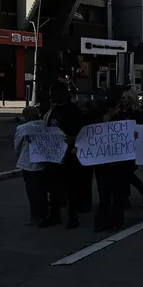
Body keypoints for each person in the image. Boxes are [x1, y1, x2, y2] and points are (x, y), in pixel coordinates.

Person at [41, 81, 87, 229]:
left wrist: (74, 139)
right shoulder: (52, 109)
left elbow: (83, 130)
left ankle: (73, 216)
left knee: (71, 187)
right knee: (53, 186)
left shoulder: (73, 110)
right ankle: (54, 214)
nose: (51, 96)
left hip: (69, 155)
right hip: (53, 155)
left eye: (53, 92)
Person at [93, 90, 134, 232]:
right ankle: (102, 221)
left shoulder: (123, 119)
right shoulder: (98, 121)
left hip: (118, 163)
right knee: (105, 194)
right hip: (103, 163)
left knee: (116, 193)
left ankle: (115, 221)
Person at [15, 106, 48, 226]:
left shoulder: (22, 128)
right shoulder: (44, 125)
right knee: (42, 190)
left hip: (28, 163)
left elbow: (17, 146)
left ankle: (35, 215)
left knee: (32, 191)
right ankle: (44, 212)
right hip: (43, 161)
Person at [122, 90, 143, 208]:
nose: (123, 100)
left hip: (133, 147)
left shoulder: (137, 113)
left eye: (125, 98)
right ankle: (128, 198)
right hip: (124, 146)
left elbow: (142, 127)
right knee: (126, 174)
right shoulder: (123, 112)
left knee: (127, 174)